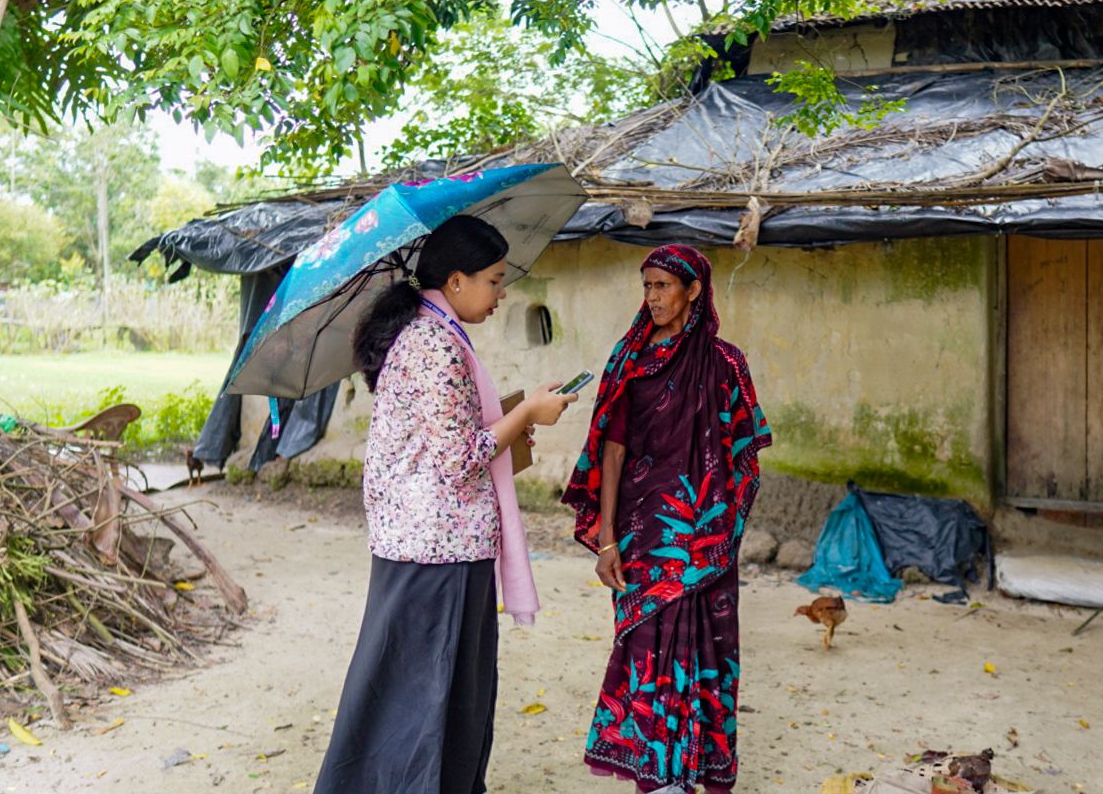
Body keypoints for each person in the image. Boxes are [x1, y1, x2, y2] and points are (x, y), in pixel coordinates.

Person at [314, 214, 575, 794]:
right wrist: (526, 413)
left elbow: (450, 440)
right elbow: (461, 458)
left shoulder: (434, 331)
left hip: (425, 543)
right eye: (494, 280)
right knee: (435, 693)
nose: (502, 294)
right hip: (440, 549)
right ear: (456, 281)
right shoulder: (434, 343)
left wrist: (513, 421)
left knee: (420, 688)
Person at [563, 244, 773, 794]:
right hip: (642, 532)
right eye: (647, 286)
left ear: (693, 290)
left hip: (704, 537)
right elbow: (611, 449)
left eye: (662, 286)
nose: (652, 297)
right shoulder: (629, 358)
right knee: (648, 647)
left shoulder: (726, 362)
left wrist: (721, 524)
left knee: (704, 647)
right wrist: (607, 538)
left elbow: (743, 456)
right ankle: (657, 775)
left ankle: (696, 766)